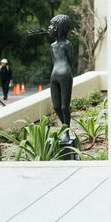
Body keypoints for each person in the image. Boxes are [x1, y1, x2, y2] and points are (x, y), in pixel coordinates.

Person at [48, 14, 75, 143]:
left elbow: (70, 61)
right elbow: (53, 61)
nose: (49, 28)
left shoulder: (67, 44)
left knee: (65, 106)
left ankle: (66, 132)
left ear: (59, 28)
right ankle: (64, 128)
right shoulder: (52, 46)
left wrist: (68, 75)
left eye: (52, 25)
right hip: (54, 76)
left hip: (65, 75)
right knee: (56, 106)